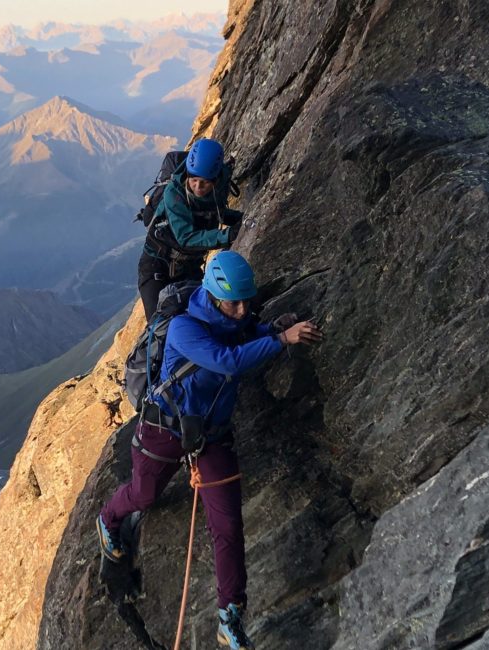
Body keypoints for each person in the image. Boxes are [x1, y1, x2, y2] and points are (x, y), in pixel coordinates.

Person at [99, 251, 322, 650]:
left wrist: (272, 329)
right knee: (144, 495)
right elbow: (228, 362)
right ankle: (108, 518)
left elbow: (246, 336)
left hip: (210, 435)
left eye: (245, 301)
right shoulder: (186, 328)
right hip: (165, 428)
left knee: (228, 524)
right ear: (213, 295)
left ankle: (229, 616)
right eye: (232, 302)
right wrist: (279, 340)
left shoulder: (238, 321)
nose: (240, 310)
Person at [139, 138, 243, 321]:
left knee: (209, 319)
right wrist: (228, 235)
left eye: (204, 182)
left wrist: (240, 219)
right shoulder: (174, 194)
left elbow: (213, 212)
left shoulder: (220, 185)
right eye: (193, 180)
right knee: (159, 327)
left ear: (216, 178)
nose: (198, 187)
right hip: (157, 266)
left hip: (189, 267)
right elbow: (186, 237)